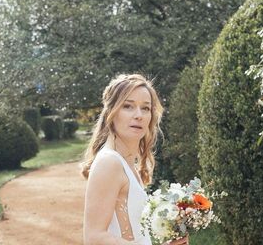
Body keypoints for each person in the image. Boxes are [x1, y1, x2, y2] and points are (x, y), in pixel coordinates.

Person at [81, 73, 189, 245]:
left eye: (145, 108)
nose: (138, 115)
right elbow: (94, 237)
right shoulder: (109, 163)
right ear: (111, 112)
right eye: (128, 106)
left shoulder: (128, 164)